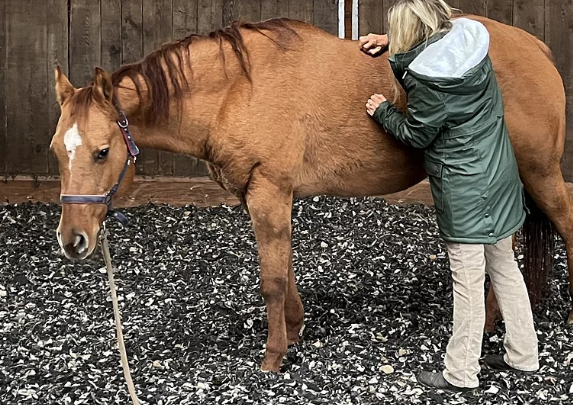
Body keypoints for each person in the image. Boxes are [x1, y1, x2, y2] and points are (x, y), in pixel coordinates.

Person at [359, 0, 539, 392]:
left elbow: (417, 134)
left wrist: (384, 111)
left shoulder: (429, 82)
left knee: (468, 282)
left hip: (464, 188)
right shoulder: (472, 47)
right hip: (498, 172)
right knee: (504, 266)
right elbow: (443, 37)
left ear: (412, 31)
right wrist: (392, 40)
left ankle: (460, 373)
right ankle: (524, 354)